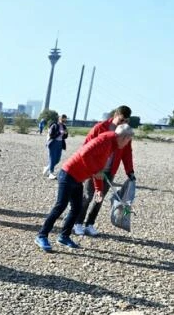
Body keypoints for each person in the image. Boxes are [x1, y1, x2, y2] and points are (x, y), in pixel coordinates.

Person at [34, 124, 134, 252]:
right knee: (60, 206)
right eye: (128, 141)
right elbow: (84, 154)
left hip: (77, 179)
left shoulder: (112, 146)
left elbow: (99, 169)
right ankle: (41, 235)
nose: (127, 145)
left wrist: (98, 189)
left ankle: (64, 236)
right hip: (68, 174)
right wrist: (94, 171)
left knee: (76, 209)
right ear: (124, 137)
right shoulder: (106, 140)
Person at [73, 105, 136, 236]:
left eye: (126, 121)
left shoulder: (126, 131)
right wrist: (89, 168)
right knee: (87, 196)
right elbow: (86, 148)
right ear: (115, 115)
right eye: (121, 120)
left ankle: (90, 224)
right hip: (95, 169)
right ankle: (77, 222)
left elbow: (127, 153)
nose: (123, 123)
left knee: (99, 198)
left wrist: (129, 171)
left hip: (110, 170)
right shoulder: (99, 128)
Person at [43, 113, 69, 179]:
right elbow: (51, 135)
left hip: (60, 144)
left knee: (57, 159)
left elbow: (65, 137)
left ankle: (47, 168)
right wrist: (60, 133)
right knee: (52, 158)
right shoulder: (54, 125)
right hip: (53, 143)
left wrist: (66, 133)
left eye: (65, 120)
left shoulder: (64, 126)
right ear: (59, 119)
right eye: (62, 120)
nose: (63, 121)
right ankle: (50, 173)